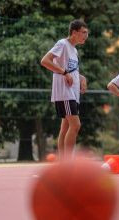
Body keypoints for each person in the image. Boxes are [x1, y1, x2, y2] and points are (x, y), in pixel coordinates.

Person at [40, 19, 88, 160]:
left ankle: (62, 164)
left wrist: (81, 77)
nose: (86, 36)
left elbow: (71, 70)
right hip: (64, 91)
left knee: (65, 128)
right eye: (83, 32)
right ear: (74, 32)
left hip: (73, 92)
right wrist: (64, 73)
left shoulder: (74, 50)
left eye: (87, 33)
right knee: (76, 125)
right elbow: (45, 61)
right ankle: (67, 163)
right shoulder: (62, 44)